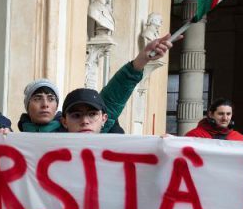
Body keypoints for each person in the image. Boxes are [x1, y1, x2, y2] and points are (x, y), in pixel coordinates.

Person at [15, 34, 176, 134]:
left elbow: (113, 97)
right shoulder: (12, 141)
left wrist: (165, 147)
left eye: (92, 114)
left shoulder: (101, 135)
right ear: (65, 121)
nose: (85, 121)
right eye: (76, 115)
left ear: (104, 119)